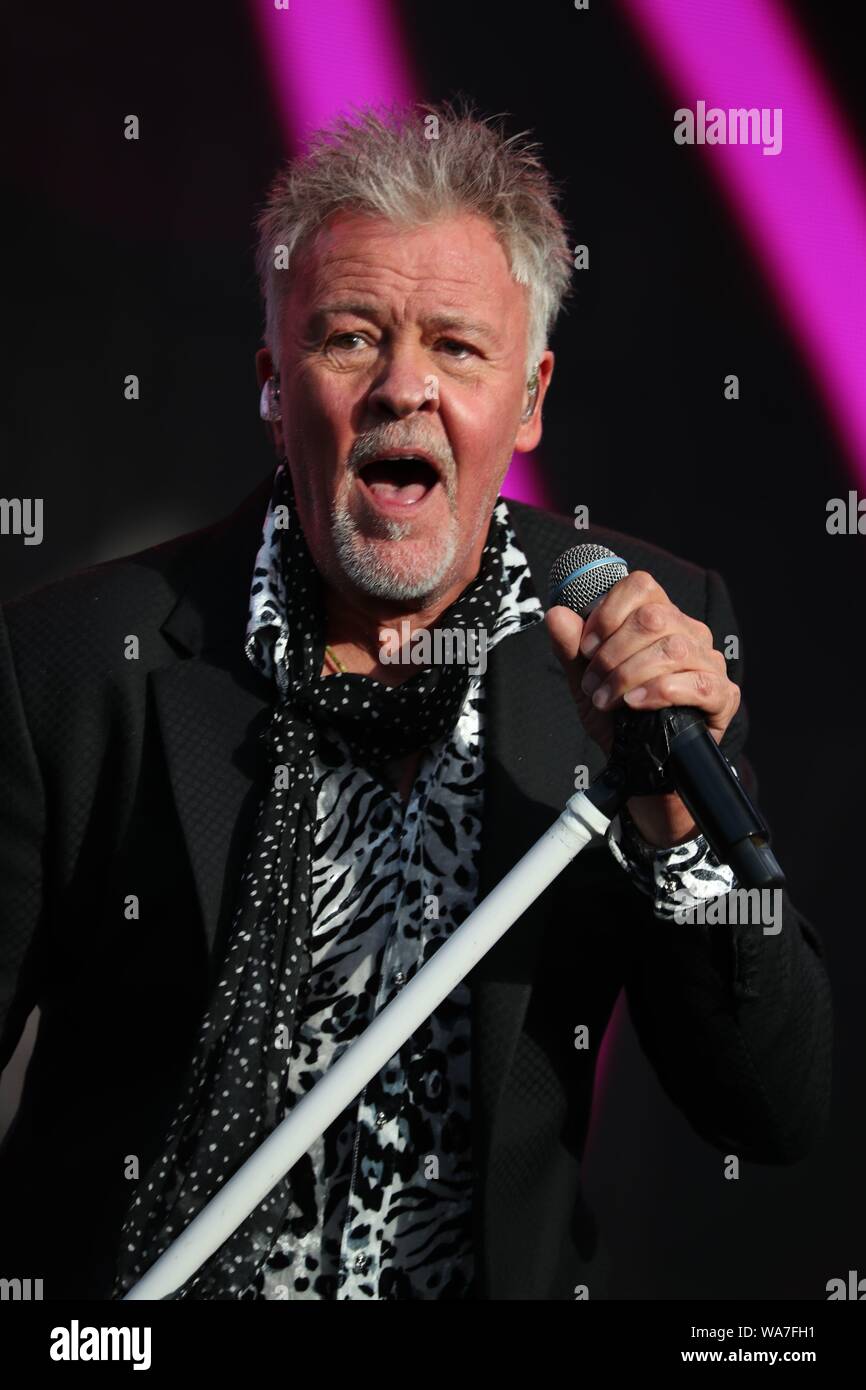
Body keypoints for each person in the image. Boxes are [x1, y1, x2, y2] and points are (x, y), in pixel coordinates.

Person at [0, 100, 831, 1301]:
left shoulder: (637, 643)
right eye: (349, 339)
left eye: (456, 346)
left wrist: (674, 824)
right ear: (273, 387)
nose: (404, 388)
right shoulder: (77, 665)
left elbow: (770, 1106)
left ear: (530, 398)